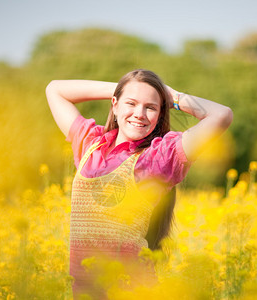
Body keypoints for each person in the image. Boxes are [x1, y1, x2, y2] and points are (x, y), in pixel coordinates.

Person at [46, 69, 232, 298]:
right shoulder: (91, 144)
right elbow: (55, 89)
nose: (139, 114)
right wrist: (126, 87)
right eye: (131, 104)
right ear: (115, 105)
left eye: (150, 107)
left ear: (160, 113)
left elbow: (221, 115)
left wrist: (172, 97)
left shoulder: (158, 158)